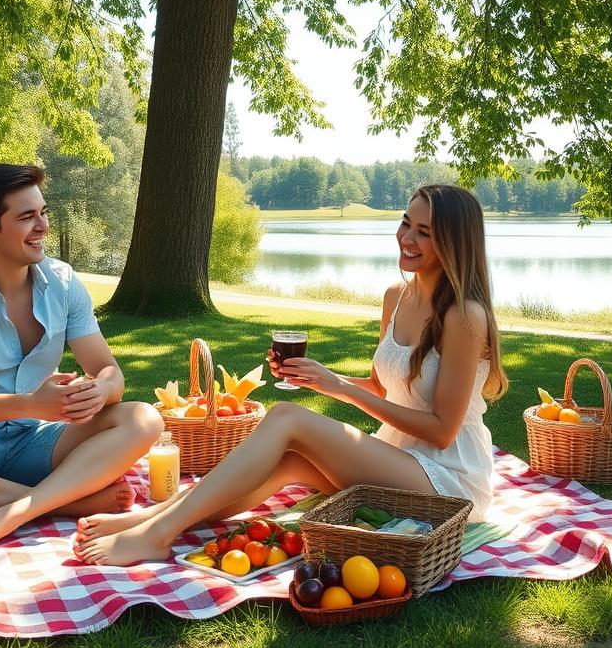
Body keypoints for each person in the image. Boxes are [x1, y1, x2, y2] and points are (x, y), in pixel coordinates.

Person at [75, 184, 507, 567]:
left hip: (449, 479)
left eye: (424, 233)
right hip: (398, 456)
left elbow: (442, 431)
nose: (406, 238)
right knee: (289, 462)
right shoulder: (397, 296)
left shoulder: (464, 316)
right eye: (405, 223)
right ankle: (151, 518)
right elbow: (381, 389)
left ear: (453, 242)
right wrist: (319, 377)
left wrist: (337, 387)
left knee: (286, 417)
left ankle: (156, 536)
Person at [0, 163, 163, 565]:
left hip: (37, 440)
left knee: (145, 419)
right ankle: (69, 500)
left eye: (43, 212)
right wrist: (29, 404)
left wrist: (101, 390)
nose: (43, 226)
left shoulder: (64, 283)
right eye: (26, 217)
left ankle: (8, 512)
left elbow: (109, 370)